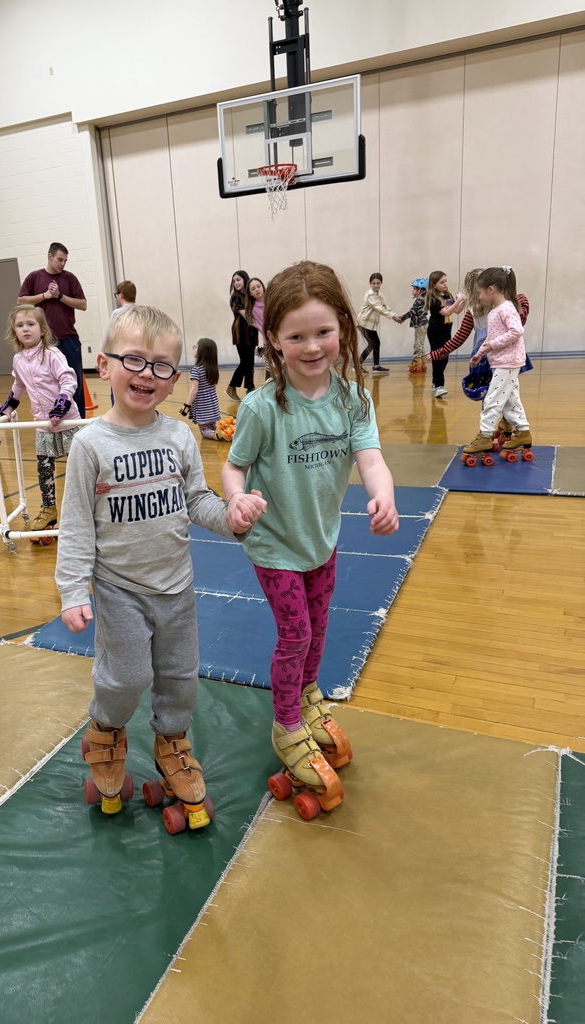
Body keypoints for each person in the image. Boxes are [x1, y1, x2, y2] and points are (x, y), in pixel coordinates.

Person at [55, 305, 265, 821]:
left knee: (180, 678)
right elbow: (78, 524)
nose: (147, 373)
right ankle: (106, 728)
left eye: (162, 366)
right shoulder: (89, 445)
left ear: (175, 380)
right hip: (119, 589)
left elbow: (196, 502)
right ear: (104, 366)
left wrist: (234, 517)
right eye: (134, 360)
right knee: (124, 677)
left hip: (177, 587)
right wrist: (73, 591)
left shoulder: (179, 437)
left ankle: (171, 743)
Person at [221, 260, 398, 796]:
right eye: (297, 336)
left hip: (321, 541)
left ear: (342, 327)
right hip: (274, 542)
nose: (313, 346)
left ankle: (308, 692)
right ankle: (287, 723)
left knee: (319, 631)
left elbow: (370, 458)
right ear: (273, 339)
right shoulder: (261, 407)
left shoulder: (352, 399)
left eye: (323, 332)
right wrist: (237, 500)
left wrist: (382, 495)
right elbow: (233, 465)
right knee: (295, 633)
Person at [0, 305, 77, 541]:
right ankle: (49, 509)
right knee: (44, 469)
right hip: (42, 425)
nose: (25, 329)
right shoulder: (19, 359)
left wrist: (61, 404)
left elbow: (68, 379)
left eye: (30, 324)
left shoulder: (52, 355)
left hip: (68, 422)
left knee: (77, 469)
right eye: (20, 326)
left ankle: (83, 509)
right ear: (14, 331)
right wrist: (9, 406)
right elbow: (19, 386)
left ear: (42, 330)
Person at [429, 270, 531, 437]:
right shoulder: (477, 311)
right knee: (502, 393)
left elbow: (517, 327)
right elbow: (460, 337)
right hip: (487, 357)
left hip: (505, 357)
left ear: (491, 289)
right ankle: (511, 426)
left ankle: (491, 432)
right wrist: (440, 352)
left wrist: (519, 302)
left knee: (498, 395)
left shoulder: (503, 307)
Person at [461, 266, 533, 460]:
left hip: (508, 362)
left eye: (479, 292)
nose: (478, 296)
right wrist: (481, 352)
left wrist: (491, 345)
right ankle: (523, 432)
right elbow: (492, 337)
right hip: (501, 361)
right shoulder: (494, 311)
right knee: (511, 400)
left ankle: (485, 435)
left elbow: (516, 331)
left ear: (491, 289)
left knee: (492, 399)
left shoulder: (507, 308)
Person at [18, 243, 87, 420]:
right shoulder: (35, 277)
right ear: (50, 256)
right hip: (45, 342)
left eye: (65, 260)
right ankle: (53, 419)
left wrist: (59, 296)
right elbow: (21, 300)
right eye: (59, 259)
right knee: (49, 384)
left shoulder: (70, 278)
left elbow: (82, 304)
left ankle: (79, 423)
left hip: (68, 338)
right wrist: (44, 296)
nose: (62, 264)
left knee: (74, 382)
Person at [425, 270, 467, 397]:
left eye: (446, 281)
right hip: (435, 331)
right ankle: (439, 386)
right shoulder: (433, 299)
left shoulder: (447, 295)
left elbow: (457, 311)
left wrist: (463, 301)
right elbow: (447, 312)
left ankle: (435, 381)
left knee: (445, 358)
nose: (445, 284)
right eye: (441, 282)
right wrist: (458, 300)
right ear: (434, 284)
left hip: (446, 331)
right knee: (438, 357)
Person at [356, 272, 402, 374]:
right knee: (372, 344)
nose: (376, 285)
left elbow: (386, 307)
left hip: (370, 325)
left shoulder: (380, 294)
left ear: (381, 283)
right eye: (374, 283)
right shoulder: (369, 295)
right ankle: (357, 365)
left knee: (376, 343)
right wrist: (392, 317)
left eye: (378, 283)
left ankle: (376, 366)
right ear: (370, 283)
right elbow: (379, 308)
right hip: (363, 323)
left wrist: (395, 315)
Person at [226, 270, 258, 401]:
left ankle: (250, 389)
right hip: (240, 332)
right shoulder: (235, 297)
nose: (236, 283)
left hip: (252, 332)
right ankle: (232, 386)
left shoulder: (251, 296)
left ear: (245, 279)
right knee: (245, 362)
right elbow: (247, 316)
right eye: (234, 281)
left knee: (250, 362)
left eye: (238, 280)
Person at [181, 337, 221, 440]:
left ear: (202, 351)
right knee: (212, 426)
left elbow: (194, 390)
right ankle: (222, 431)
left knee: (204, 432)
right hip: (212, 404)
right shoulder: (213, 369)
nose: (194, 349)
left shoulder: (196, 370)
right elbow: (214, 387)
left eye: (196, 347)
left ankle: (218, 435)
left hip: (202, 405)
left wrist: (186, 407)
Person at [398, 277, 429, 374]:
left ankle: (417, 363)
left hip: (420, 324)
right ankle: (423, 362)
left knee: (418, 343)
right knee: (421, 343)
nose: (413, 290)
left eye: (415, 289)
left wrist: (402, 318)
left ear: (422, 290)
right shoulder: (425, 299)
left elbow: (412, 312)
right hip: (424, 323)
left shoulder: (419, 300)